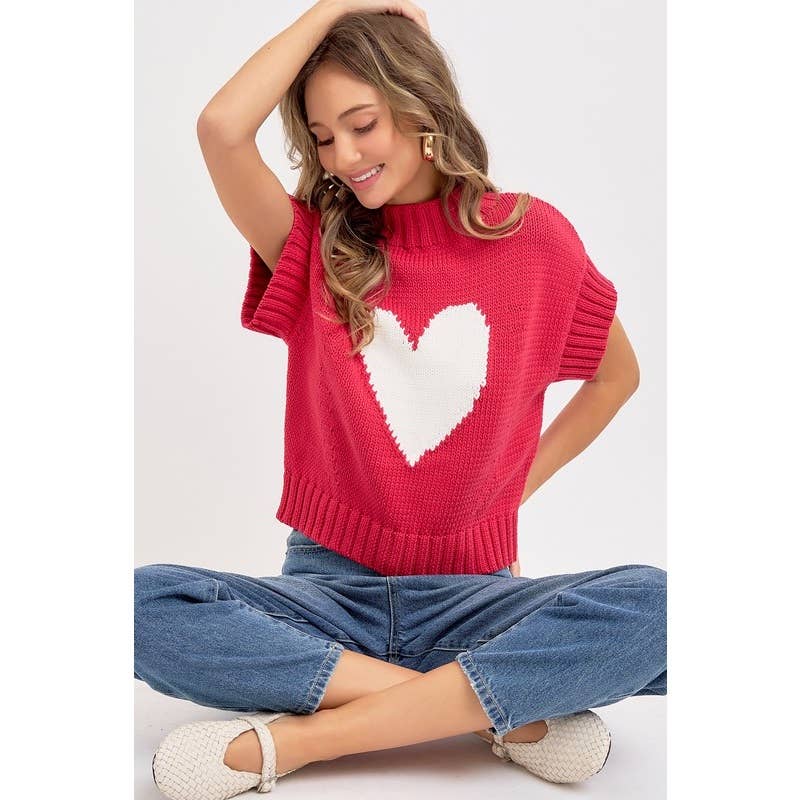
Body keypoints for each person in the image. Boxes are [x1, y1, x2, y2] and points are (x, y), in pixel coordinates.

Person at [135, 2, 667, 797]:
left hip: (476, 599)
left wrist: (509, 493)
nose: (343, 156)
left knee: (663, 605)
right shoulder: (312, 249)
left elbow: (616, 377)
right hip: (326, 598)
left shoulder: (534, 240)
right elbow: (221, 128)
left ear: (422, 107)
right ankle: (491, 710)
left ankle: (303, 741)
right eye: (322, 138)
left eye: (362, 125)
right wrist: (340, 6)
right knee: (137, 604)